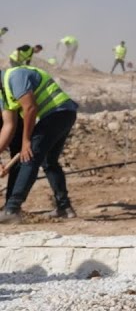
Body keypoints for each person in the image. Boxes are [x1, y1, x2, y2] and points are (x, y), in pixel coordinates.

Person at [0, 64, 78, 221]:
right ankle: (64, 207)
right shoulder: (3, 94)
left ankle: (12, 209)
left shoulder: (15, 76)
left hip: (58, 112)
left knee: (29, 156)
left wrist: (26, 142)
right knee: (49, 162)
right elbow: (9, 125)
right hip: (61, 114)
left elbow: (30, 108)